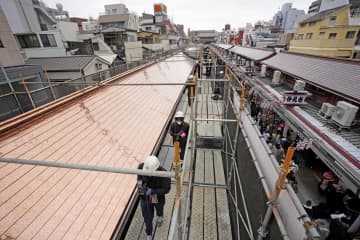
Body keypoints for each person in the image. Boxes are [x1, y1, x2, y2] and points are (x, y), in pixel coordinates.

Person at [138, 156, 171, 240]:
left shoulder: (164, 174)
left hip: (156, 195)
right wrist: (141, 190)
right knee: (147, 217)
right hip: (145, 196)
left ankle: (160, 216)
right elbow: (139, 180)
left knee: (159, 207)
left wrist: (152, 191)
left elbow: (166, 189)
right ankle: (149, 233)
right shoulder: (141, 167)